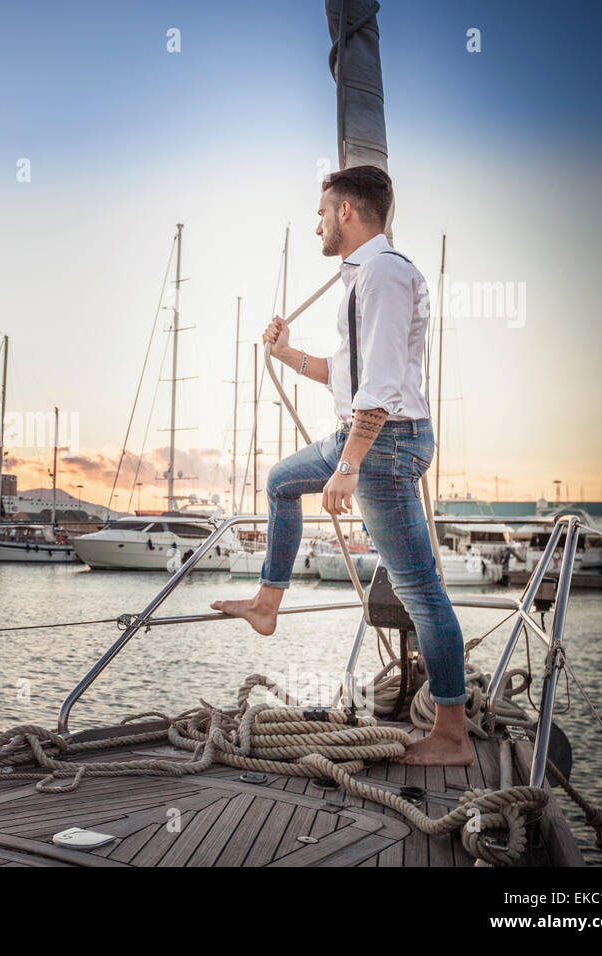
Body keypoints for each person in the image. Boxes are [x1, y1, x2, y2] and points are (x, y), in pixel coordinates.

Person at [210, 165, 473, 767]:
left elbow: (378, 387)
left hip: (383, 443)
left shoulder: (382, 273)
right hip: (366, 435)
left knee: (420, 590)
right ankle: (268, 605)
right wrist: (286, 354)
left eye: (323, 212)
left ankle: (453, 733)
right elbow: (348, 373)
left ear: (348, 212)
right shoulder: (364, 276)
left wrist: (349, 464)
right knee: (280, 482)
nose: (318, 223)